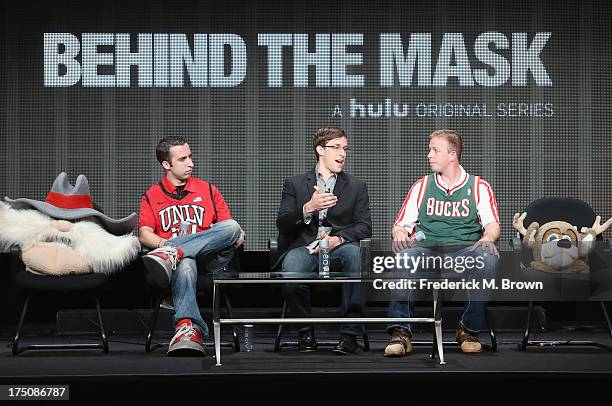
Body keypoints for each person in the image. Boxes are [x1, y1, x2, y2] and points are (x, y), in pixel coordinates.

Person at [385, 129, 500, 356]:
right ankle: (401, 332)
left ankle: (468, 329)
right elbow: (400, 225)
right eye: (430, 150)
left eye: (435, 150)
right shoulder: (422, 186)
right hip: (427, 251)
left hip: (463, 251)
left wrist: (487, 239)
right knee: (405, 257)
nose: (429, 155)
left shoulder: (478, 186)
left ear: (452, 154)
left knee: (487, 258)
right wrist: (398, 233)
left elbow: (492, 225)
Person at [139, 136, 244, 357]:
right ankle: (188, 329)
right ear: (166, 164)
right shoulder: (152, 195)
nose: (191, 163)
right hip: (175, 268)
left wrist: (237, 236)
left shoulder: (207, 190)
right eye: (183, 159)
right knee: (186, 262)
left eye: (190, 157)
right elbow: (144, 234)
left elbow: (230, 230)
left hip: (210, 261)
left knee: (232, 228)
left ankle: (173, 253)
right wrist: (164, 244)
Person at [275, 127, 372, 355]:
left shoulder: (356, 186)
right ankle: (305, 330)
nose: (343, 153)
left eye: (345, 148)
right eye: (336, 147)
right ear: (320, 149)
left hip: (339, 248)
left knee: (354, 256)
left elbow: (364, 226)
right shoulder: (295, 184)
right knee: (291, 269)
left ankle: (349, 335)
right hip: (305, 247)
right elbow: (283, 222)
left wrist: (339, 238)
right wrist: (308, 208)